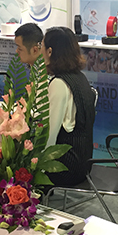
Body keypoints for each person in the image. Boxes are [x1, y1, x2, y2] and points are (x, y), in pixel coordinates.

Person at [42, 26, 96, 186]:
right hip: (84, 162)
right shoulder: (80, 78)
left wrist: (36, 166)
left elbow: (49, 134)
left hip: (66, 166)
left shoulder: (59, 83)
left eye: (42, 46)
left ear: (50, 51)